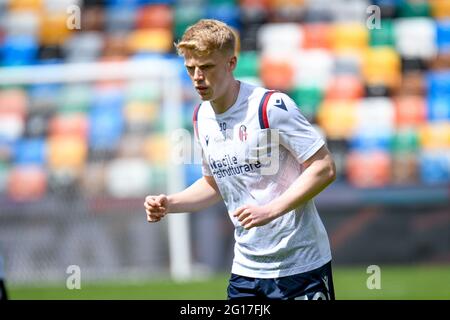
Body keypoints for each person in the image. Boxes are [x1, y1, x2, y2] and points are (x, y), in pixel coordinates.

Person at [144, 19, 337, 300]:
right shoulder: (201, 117)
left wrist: (271, 210)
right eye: (190, 68)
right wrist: (170, 203)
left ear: (231, 63)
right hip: (246, 273)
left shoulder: (270, 107)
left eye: (207, 66)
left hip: (301, 266)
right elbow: (214, 184)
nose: (197, 76)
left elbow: (324, 167)